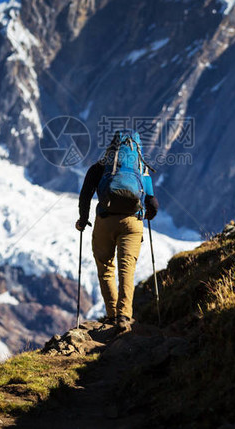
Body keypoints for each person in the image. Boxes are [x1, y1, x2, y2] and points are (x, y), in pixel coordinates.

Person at [76, 131, 158, 334]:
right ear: (137, 149)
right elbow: (153, 204)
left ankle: (112, 315)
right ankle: (124, 316)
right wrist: (146, 216)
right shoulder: (141, 169)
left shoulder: (100, 167)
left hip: (105, 220)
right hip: (133, 222)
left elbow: (85, 195)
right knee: (127, 269)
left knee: (105, 267)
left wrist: (83, 220)